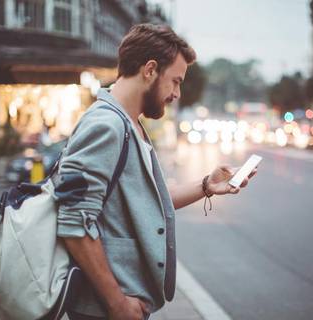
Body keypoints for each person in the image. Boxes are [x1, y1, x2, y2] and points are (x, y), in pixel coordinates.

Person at [55, 24, 257, 320]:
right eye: (175, 81)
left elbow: (148, 201)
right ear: (149, 70)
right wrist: (117, 304)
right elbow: (74, 221)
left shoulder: (129, 124)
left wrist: (206, 185)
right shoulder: (106, 125)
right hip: (103, 309)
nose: (177, 93)